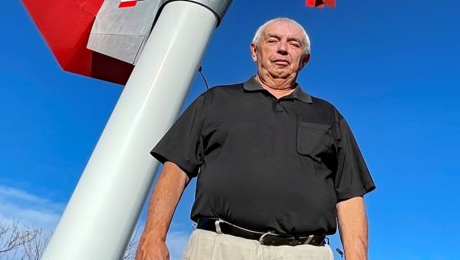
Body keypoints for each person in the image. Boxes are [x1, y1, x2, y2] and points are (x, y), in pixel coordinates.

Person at [135, 17, 375, 260]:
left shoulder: (328, 115)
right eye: (273, 40)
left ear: (304, 60)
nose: (282, 48)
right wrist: (153, 236)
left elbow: (350, 194)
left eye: (294, 44)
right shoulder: (215, 101)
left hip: (304, 252)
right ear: (254, 51)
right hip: (218, 248)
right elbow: (176, 169)